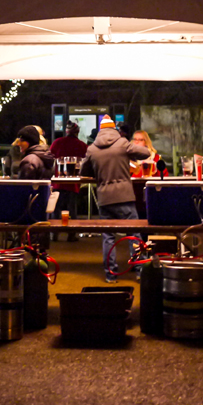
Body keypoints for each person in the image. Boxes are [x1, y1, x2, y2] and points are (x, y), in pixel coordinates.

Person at [80, 114, 150, 282]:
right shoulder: (122, 143)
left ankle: (110, 274)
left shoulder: (92, 149)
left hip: (104, 198)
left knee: (108, 237)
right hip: (125, 196)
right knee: (134, 235)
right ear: (114, 129)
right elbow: (146, 152)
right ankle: (140, 270)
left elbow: (84, 172)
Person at [49, 121, 88, 241]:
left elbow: (50, 157)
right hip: (73, 183)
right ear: (77, 132)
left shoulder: (57, 142)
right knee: (72, 210)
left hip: (58, 181)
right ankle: (72, 234)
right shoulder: (81, 145)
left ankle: (54, 234)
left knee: (56, 210)